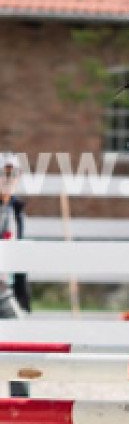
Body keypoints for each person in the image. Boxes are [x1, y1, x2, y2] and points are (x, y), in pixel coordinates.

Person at [0, 153, 30, 397]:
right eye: (4, 173)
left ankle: (22, 405)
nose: (8, 179)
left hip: (5, 292)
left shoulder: (16, 209)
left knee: (21, 347)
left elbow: (21, 259)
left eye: (13, 174)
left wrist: (24, 296)